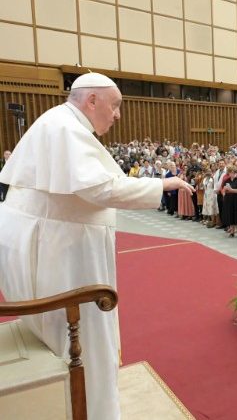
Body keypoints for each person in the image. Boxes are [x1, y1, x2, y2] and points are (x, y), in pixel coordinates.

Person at [0, 72, 193, 420]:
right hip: (60, 254)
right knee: (86, 340)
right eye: (115, 106)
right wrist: (162, 185)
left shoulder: (58, 123)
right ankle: (93, 410)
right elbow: (99, 188)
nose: (117, 115)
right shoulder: (65, 129)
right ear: (91, 100)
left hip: (49, 245)